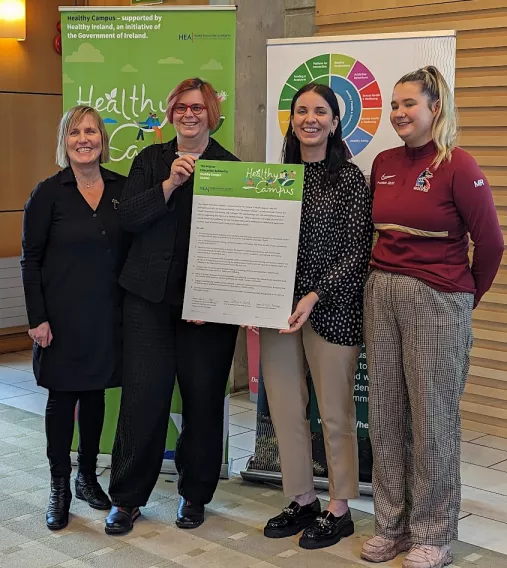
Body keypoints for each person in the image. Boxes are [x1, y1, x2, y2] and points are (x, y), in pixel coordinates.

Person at [361, 66, 503, 568]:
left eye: (409, 105)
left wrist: (463, 298)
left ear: (434, 108)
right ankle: (391, 525)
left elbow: (491, 243)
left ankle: (433, 533)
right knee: (386, 414)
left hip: (438, 299)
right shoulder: (383, 162)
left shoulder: (458, 165)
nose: (399, 113)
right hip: (381, 293)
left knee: (432, 421)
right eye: (394, 105)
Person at [104, 77, 239, 535]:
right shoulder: (150, 160)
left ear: (211, 114)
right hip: (148, 304)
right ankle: (126, 499)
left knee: (202, 403)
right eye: (181, 107)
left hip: (208, 310)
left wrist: (217, 297)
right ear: (171, 113)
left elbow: (240, 242)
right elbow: (128, 217)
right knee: (143, 400)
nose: (189, 114)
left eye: (197, 107)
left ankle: (194, 495)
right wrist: (169, 185)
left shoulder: (231, 168)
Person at [260, 83, 373, 550]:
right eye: (302, 110)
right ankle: (303, 497)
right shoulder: (273, 178)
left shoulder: (348, 178)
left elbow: (357, 251)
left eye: (320, 111)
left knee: (334, 414)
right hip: (277, 309)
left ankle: (339, 508)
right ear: (292, 120)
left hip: (334, 308)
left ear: (333, 121)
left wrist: (316, 293)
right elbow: (256, 244)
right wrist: (248, 296)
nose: (310, 118)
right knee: (286, 410)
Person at [20, 106, 128, 530]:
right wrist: (37, 317)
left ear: (102, 139)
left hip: (106, 315)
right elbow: (31, 260)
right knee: (63, 399)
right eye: (75, 133)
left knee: (97, 394)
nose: (84, 139)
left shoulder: (121, 188)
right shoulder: (47, 193)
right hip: (60, 319)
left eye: (91, 131)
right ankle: (60, 485)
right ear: (64, 142)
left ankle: (87, 475)